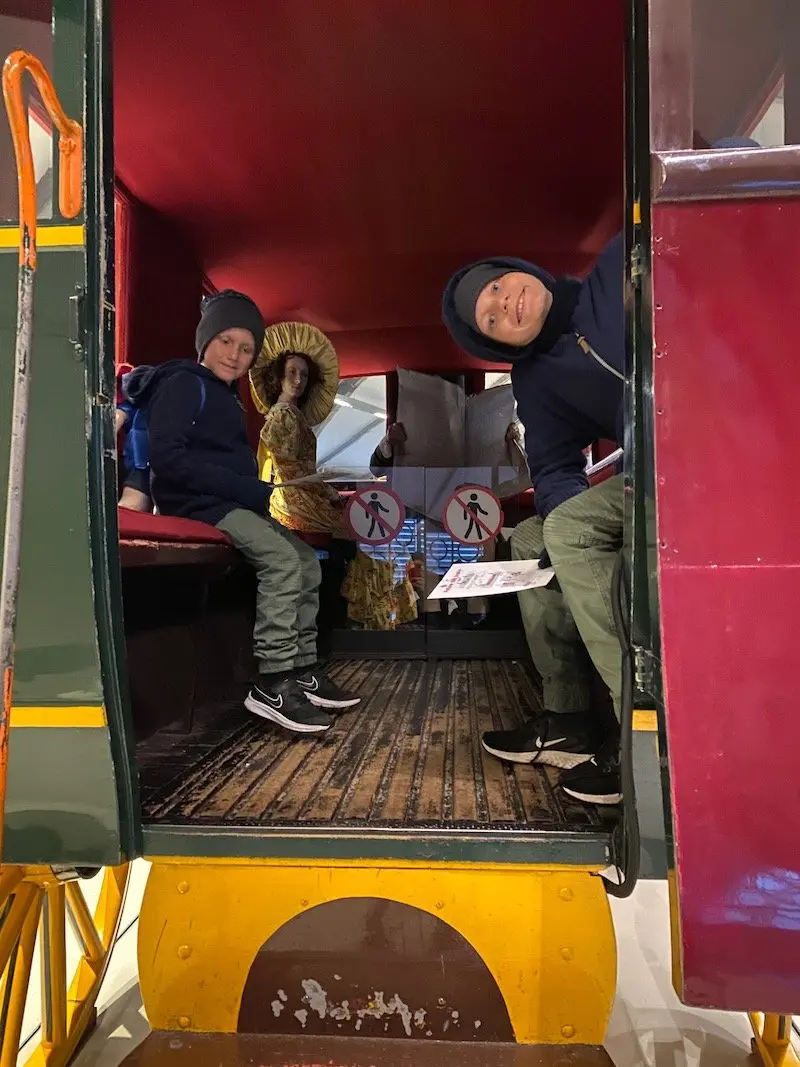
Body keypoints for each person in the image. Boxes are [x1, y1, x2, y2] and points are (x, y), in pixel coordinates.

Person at [442, 234, 625, 805]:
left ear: (519, 268)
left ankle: (649, 728)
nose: (506, 304)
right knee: (531, 534)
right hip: (653, 475)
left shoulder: (618, 267)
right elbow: (552, 465)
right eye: (491, 319)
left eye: (498, 287)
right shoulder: (535, 379)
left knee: (568, 530)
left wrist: (566, 522)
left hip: (713, 439)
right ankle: (570, 716)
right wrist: (558, 514)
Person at [147, 291, 360, 734]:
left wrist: (250, 489)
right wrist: (242, 486)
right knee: (283, 561)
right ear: (205, 341)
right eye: (226, 341)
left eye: (246, 348)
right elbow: (166, 459)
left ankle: (302, 668)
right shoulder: (184, 383)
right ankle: (274, 679)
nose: (236, 355)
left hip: (233, 501)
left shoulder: (226, 396)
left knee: (306, 562)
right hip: (200, 505)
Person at [249, 321, 349, 536]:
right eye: (292, 372)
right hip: (291, 499)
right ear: (280, 376)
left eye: (304, 375)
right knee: (342, 531)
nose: (298, 380)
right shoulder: (281, 415)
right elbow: (291, 470)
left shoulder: (295, 416)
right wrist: (327, 490)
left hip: (306, 493)